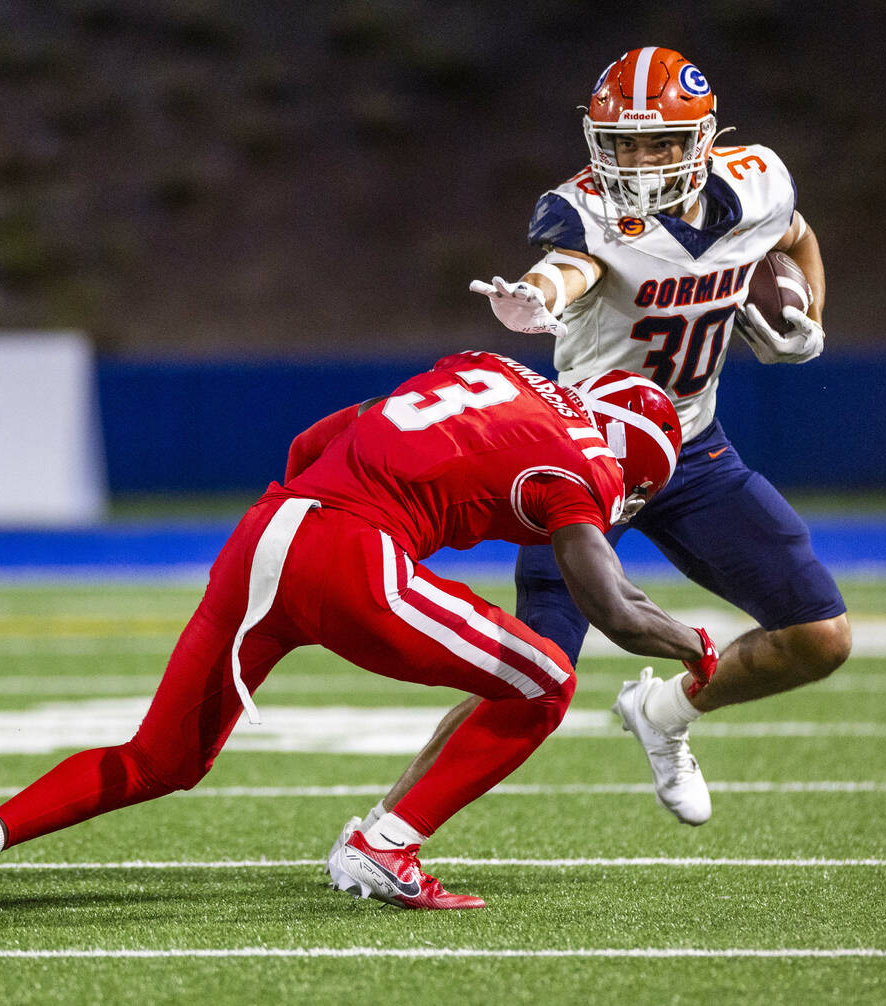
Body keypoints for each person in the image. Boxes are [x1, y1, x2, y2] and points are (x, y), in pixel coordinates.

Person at [0, 350, 717, 916]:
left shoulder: (485, 369)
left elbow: (316, 437)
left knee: (162, 759)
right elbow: (611, 608)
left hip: (268, 529)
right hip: (351, 556)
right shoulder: (588, 465)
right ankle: (385, 846)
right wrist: (694, 644)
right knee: (546, 682)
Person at [326, 47, 851, 865]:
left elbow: (796, 234)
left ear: (704, 139)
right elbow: (567, 268)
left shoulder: (757, 183)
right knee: (532, 673)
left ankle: (666, 713)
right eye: (624, 143)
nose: (639, 161)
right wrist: (534, 297)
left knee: (820, 639)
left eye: (660, 143)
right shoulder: (583, 209)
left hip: (694, 450)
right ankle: (381, 832)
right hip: (584, 458)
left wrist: (807, 317)